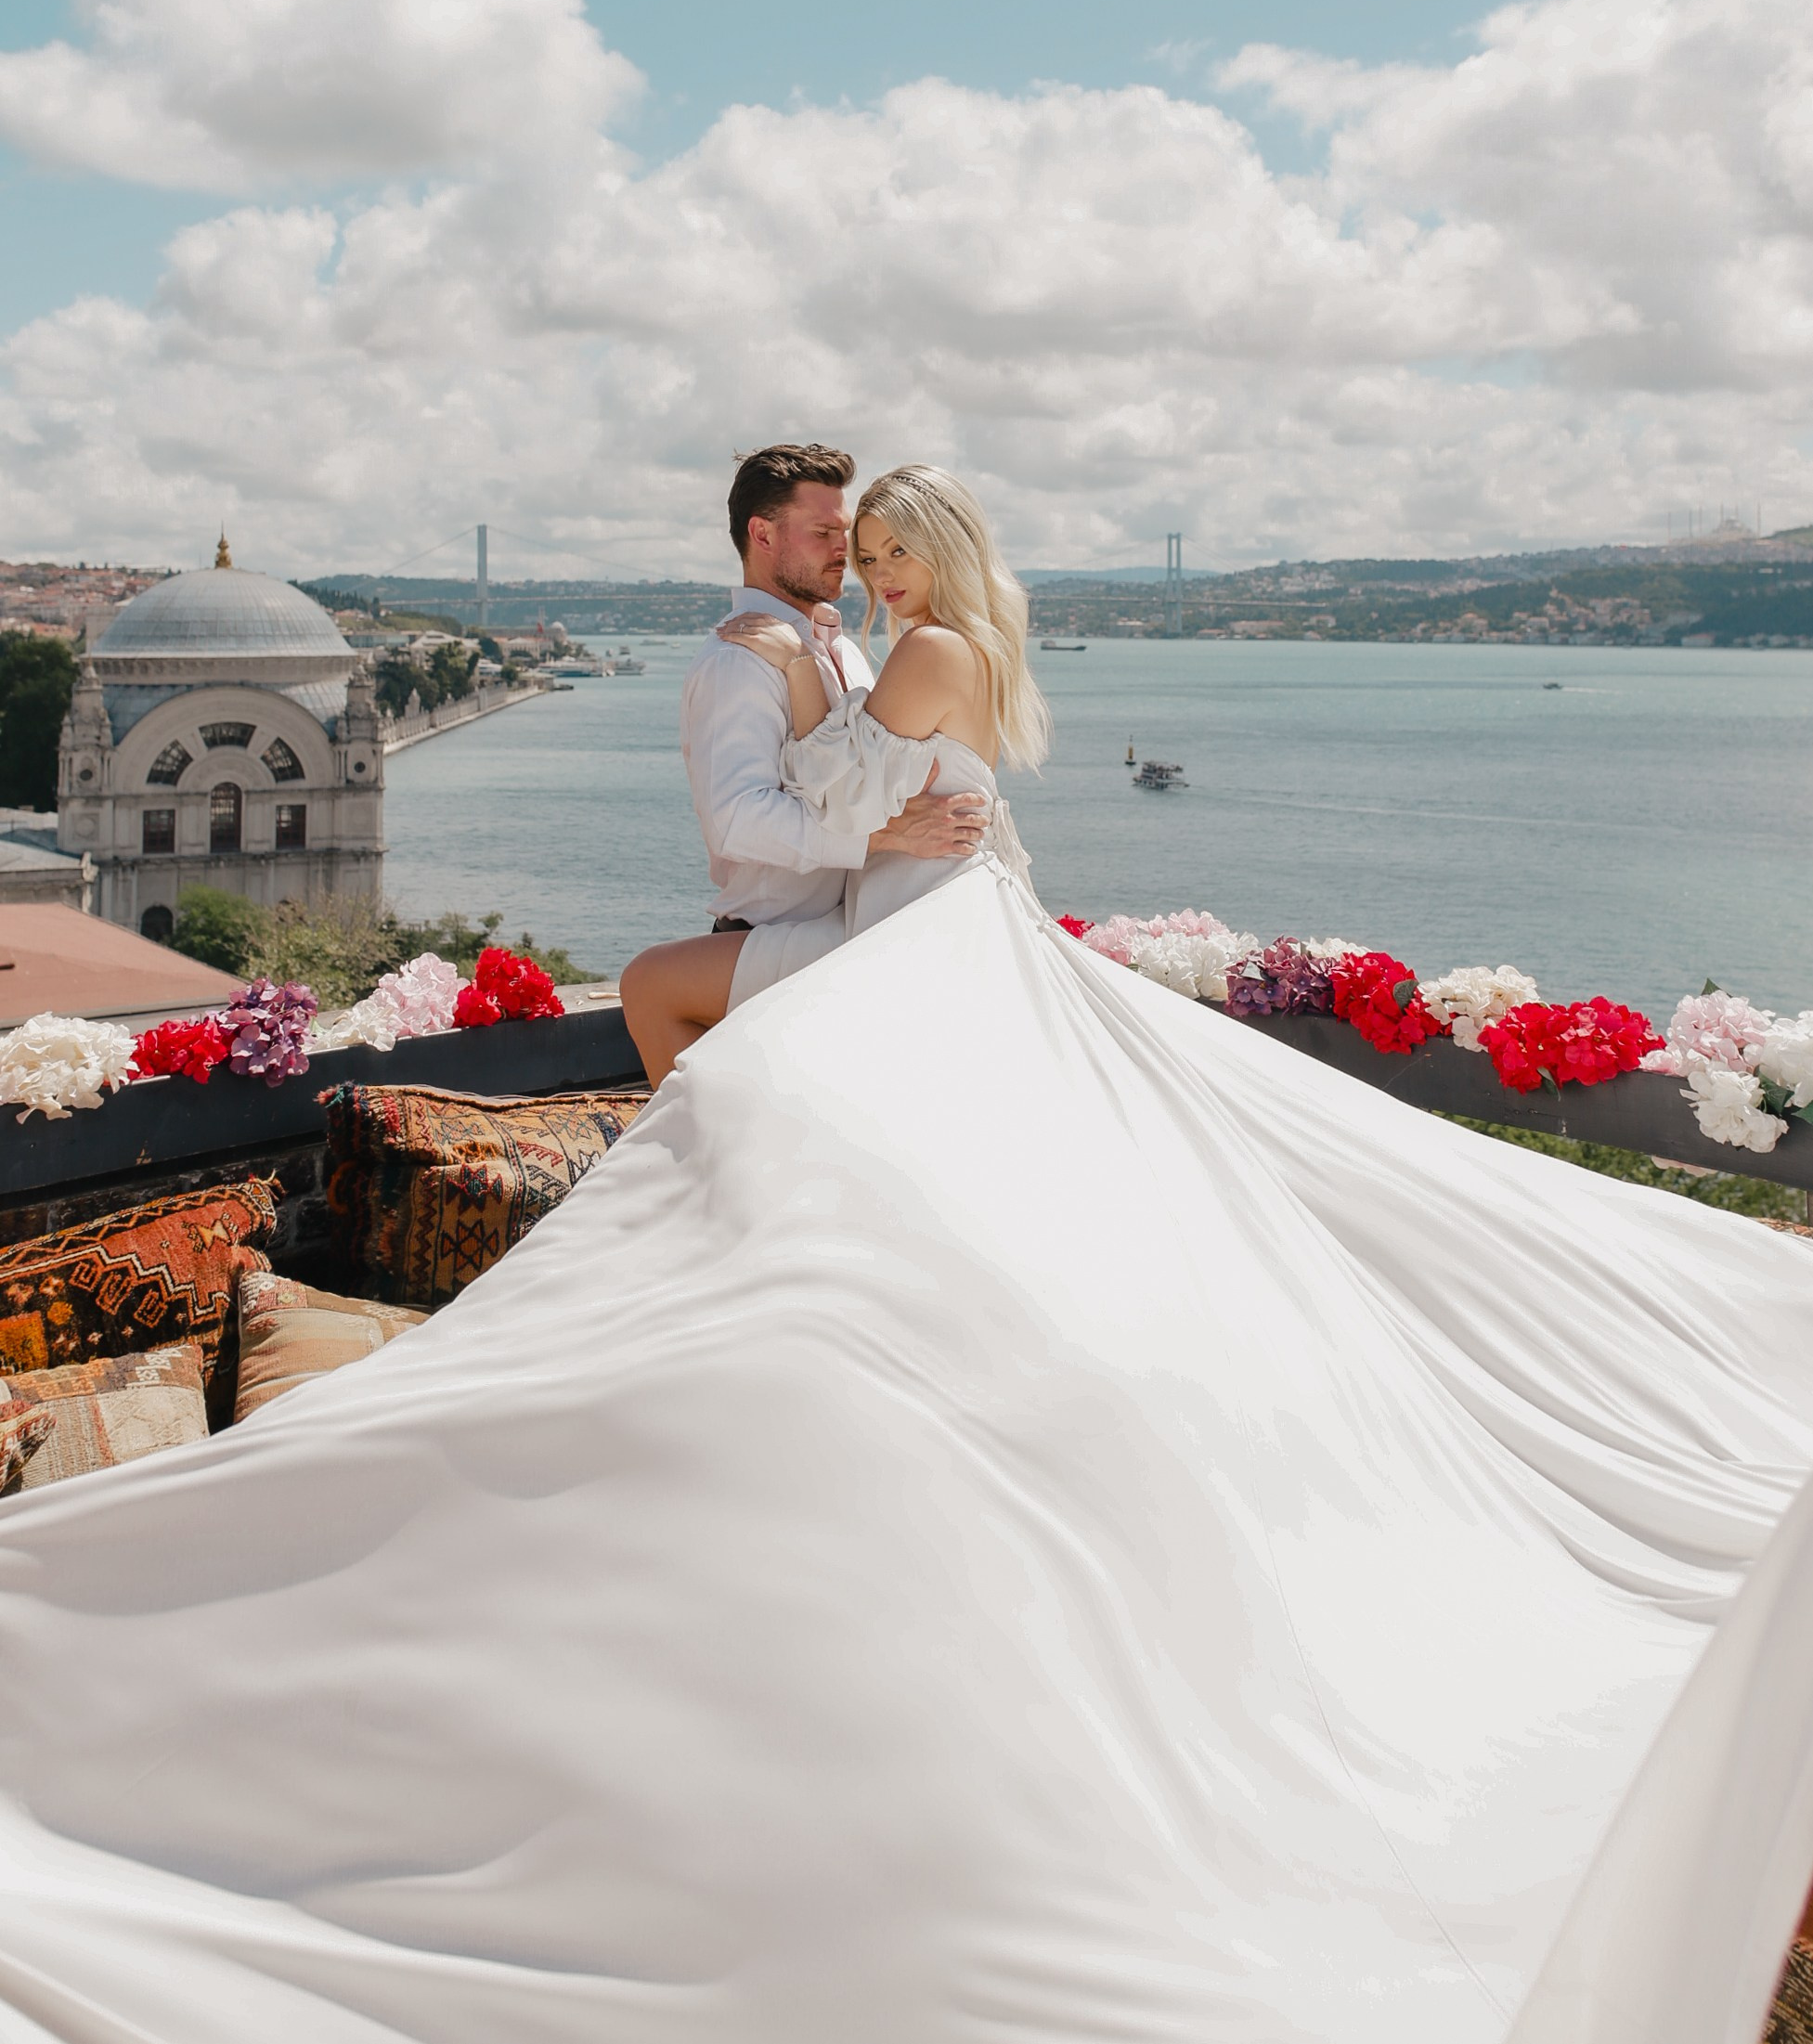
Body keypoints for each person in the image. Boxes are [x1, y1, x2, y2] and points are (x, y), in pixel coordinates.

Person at [4, 470, 1813, 2040]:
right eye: (848, 547)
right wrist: (882, 772)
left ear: (927, 554)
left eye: (881, 546)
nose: (862, 570)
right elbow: (921, 804)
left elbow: (844, 805)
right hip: (917, 920)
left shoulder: (916, 649)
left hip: (896, 938)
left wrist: (813, 719)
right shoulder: (933, 646)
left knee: (759, 1105)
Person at [623, 445, 989, 1081]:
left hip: (856, 933)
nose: (845, 553)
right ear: (761, 534)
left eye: (846, 537)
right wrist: (880, 835)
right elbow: (738, 819)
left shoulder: (844, 651)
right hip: (771, 937)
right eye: (823, 533)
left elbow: (859, 781)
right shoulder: (738, 660)